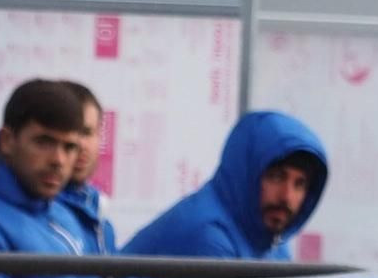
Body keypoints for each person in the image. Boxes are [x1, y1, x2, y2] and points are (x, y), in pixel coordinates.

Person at [123, 110, 327, 260]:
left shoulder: (271, 243)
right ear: (246, 174)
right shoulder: (209, 237)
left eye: (300, 184)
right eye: (276, 177)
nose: (287, 197)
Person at [0, 79, 101, 278]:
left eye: (69, 147)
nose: (58, 161)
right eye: (44, 142)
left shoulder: (63, 214)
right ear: (7, 140)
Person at [57, 81, 116, 256]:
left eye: (87, 133)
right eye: (70, 132)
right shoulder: (38, 215)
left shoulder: (100, 219)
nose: (80, 144)